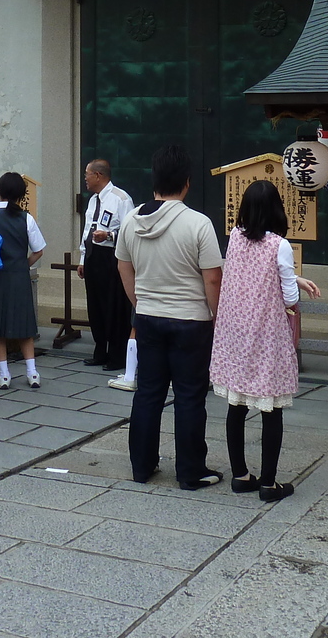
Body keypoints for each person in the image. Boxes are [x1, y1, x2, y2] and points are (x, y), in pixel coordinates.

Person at [116, 144, 225, 489]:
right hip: (191, 320)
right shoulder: (198, 224)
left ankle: (141, 466)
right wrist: (215, 315)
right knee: (190, 396)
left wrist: (139, 301)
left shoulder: (132, 221)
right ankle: (191, 471)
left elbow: (124, 266)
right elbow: (212, 277)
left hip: (147, 316)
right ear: (187, 183)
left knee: (148, 392)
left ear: (155, 180)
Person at [210, 180, 320, 503]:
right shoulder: (280, 245)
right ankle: (269, 483)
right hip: (266, 333)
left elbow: (248, 273)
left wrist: (291, 277)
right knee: (271, 408)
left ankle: (241, 475)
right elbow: (288, 295)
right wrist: (294, 285)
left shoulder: (234, 237)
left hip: (235, 332)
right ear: (276, 209)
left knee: (237, 404)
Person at [0, 172, 48, 388]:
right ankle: (32, 372)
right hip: (19, 277)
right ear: (20, 195)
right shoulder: (26, 218)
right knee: (25, 326)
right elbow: (39, 250)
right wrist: (23, 264)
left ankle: (4, 374)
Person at [78, 159, 134, 373]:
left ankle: (117, 355)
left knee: (114, 307)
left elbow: (130, 232)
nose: (85, 178)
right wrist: (83, 259)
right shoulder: (93, 201)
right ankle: (99, 350)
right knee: (96, 306)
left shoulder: (121, 199)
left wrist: (109, 235)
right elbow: (86, 232)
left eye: (87, 174)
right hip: (94, 256)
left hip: (113, 257)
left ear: (98, 176)